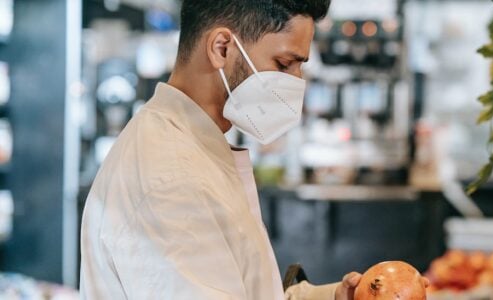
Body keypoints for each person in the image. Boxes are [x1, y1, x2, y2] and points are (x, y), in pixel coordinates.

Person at [79, 0, 363, 299]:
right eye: (283, 64)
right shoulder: (172, 180)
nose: (296, 83)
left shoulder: (193, 145)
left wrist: (335, 296)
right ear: (221, 48)